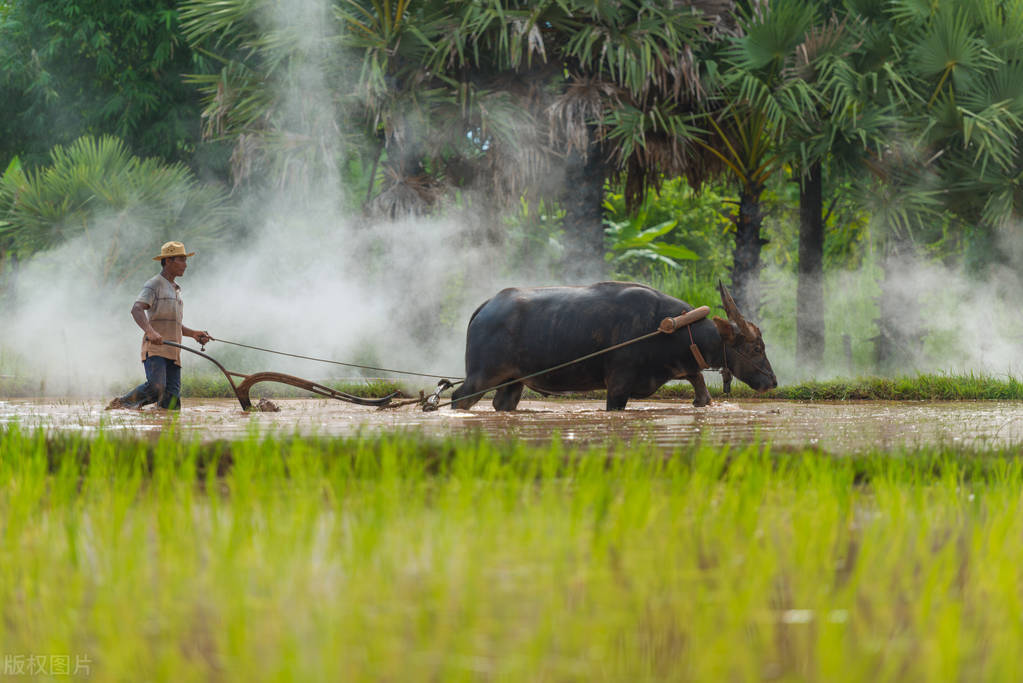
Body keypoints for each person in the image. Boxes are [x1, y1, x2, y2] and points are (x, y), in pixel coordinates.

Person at [106, 241, 211, 410]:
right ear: (168, 261)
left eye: (185, 260)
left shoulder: (176, 289)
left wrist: (193, 334)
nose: (185, 265)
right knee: (156, 388)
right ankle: (121, 404)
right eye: (181, 260)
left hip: (174, 351)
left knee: (171, 404)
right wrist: (150, 332)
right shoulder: (154, 284)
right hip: (156, 349)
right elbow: (136, 309)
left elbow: (174, 324)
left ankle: (159, 422)